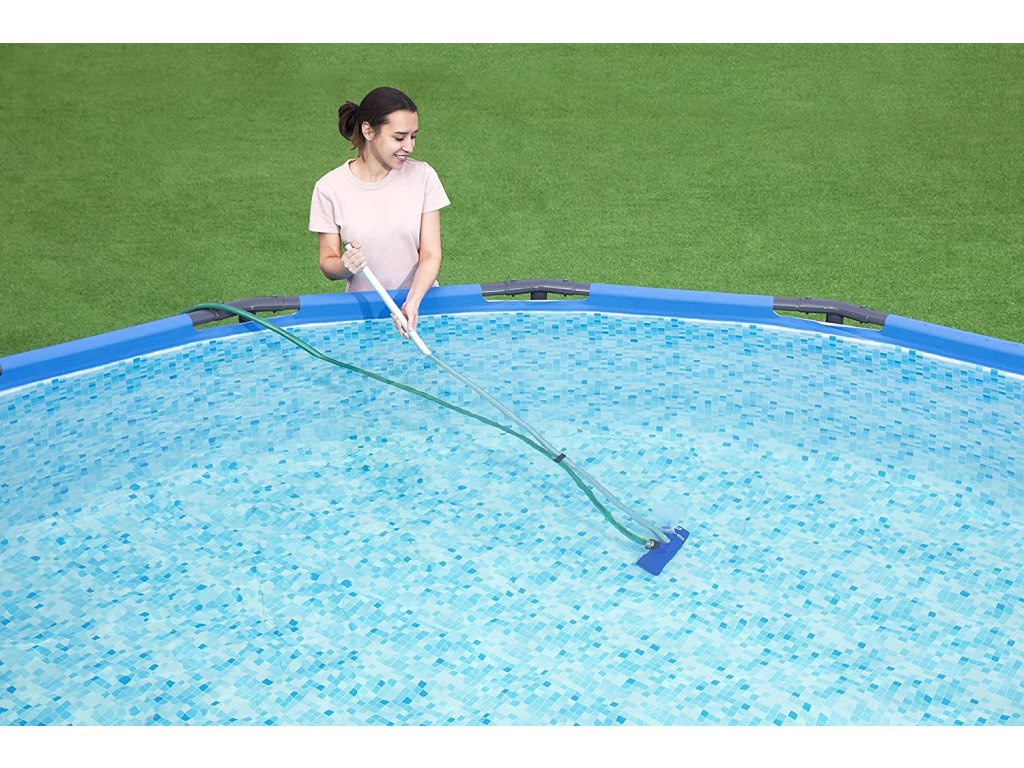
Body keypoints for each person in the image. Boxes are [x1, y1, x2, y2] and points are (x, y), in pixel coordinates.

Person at [309, 86, 450, 339]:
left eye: (413, 136)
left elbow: (431, 254)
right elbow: (328, 263)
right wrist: (345, 265)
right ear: (368, 131)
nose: (409, 146)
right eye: (399, 137)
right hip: (362, 315)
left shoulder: (424, 177)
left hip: (420, 306)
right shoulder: (329, 188)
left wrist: (412, 301)